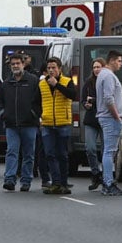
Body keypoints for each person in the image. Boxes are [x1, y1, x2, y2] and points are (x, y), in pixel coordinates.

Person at [0, 53, 42, 191]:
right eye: (13, 64)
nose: (15, 66)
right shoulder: (6, 83)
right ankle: (10, 179)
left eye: (18, 63)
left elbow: (40, 101)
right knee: (12, 151)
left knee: (29, 154)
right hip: (12, 124)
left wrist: (34, 114)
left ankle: (26, 180)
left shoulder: (33, 81)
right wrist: (3, 114)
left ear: (23, 64)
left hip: (29, 124)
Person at [37, 57, 76, 195]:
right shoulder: (42, 84)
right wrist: (40, 115)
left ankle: (64, 183)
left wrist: (57, 85)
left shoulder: (67, 81)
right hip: (47, 123)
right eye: (49, 68)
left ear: (59, 69)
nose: (51, 70)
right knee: (49, 154)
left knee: (62, 155)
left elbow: (73, 95)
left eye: (54, 67)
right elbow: (36, 101)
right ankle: (56, 183)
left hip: (62, 123)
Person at [96, 51, 122, 196]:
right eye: (119, 61)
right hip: (110, 118)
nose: (121, 64)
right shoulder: (108, 76)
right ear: (112, 61)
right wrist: (117, 116)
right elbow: (109, 99)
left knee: (109, 150)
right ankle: (108, 183)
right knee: (109, 151)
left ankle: (108, 182)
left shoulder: (102, 74)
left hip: (106, 117)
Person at [81, 58, 105, 190]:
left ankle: (106, 176)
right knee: (90, 148)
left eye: (99, 67)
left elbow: (106, 99)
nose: (96, 69)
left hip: (104, 119)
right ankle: (95, 173)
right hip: (91, 119)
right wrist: (86, 104)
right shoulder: (88, 83)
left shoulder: (107, 81)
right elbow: (83, 99)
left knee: (105, 150)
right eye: (94, 67)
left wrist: (94, 101)